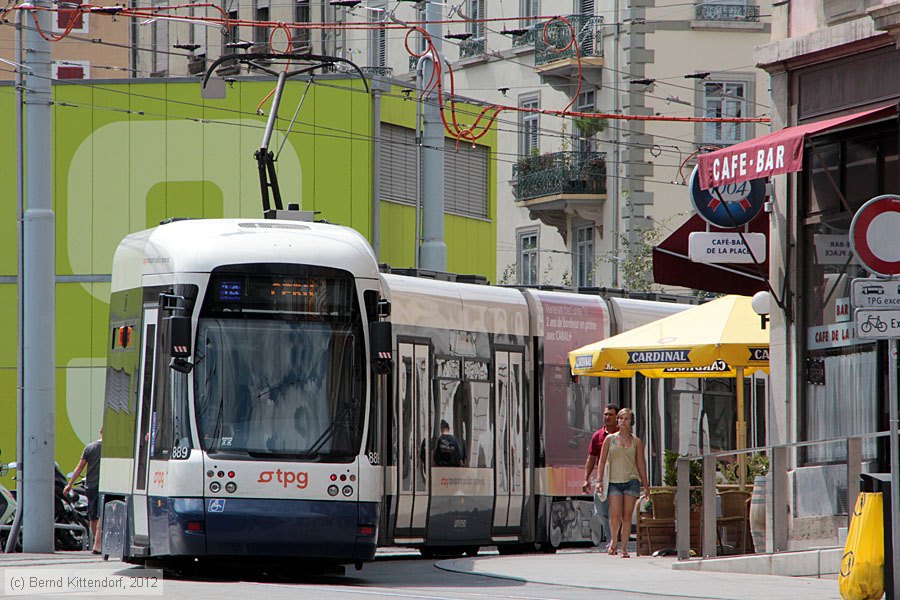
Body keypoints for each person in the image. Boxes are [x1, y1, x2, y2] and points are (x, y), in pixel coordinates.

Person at [596, 408, 649, 558]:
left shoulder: (636, 442)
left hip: (631, 481)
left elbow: (640, 464)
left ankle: (624, 548)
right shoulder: (610, 439)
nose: (622, 421)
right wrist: (599, 480)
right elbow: (602, 460)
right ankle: (614, 541)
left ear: (631, 422)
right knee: (615, 515)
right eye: (620, 418)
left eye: (626, 419)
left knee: (627, 516)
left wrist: (645, 485)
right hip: (614, 481)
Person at [582, 403, 619, 549]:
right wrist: (586, 479)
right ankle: (612, 538)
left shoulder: (622, 435)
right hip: (602, 479)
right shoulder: (597, 436)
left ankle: (612, 541)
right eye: (605, 414)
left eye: (610, 414)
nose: (607, 417)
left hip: (618, 478)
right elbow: (591, 458)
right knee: (601, 511)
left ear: (616, 417)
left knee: (614, 512)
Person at [64, 427, 102, 554]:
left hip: (91, 486)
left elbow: (79, 467)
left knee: (93, 515)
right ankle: (98, 544)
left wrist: (69, 484)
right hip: (105, 486)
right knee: (102, 514)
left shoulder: (90, 448)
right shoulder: (111, 449)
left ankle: (97, 544)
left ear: (100, 432)